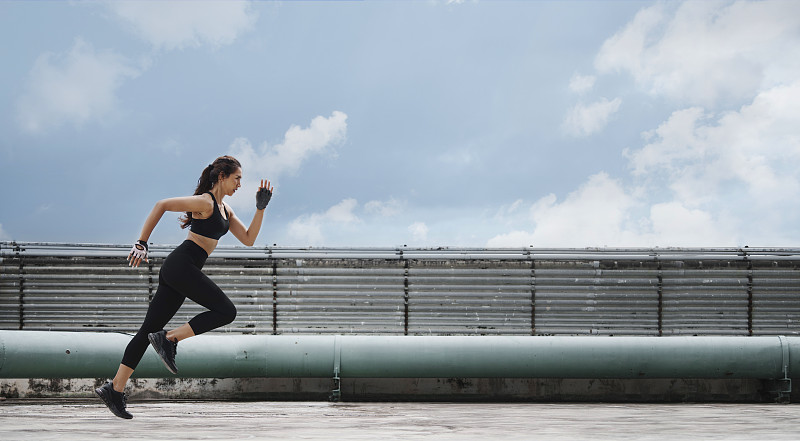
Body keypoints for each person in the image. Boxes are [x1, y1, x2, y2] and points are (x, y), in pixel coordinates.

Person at [95, 155, 273, 419]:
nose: (239, 185)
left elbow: (248, 239)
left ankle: (115, 388)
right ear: (222, 177)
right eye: (237, 179)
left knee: (147, 330)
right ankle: (169, 338)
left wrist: (260, 209)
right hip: (181, 266)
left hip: (181, 269)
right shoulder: (205, 202)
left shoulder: (226, 210)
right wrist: (142, 242)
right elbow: (162, 204)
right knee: (226, 311)